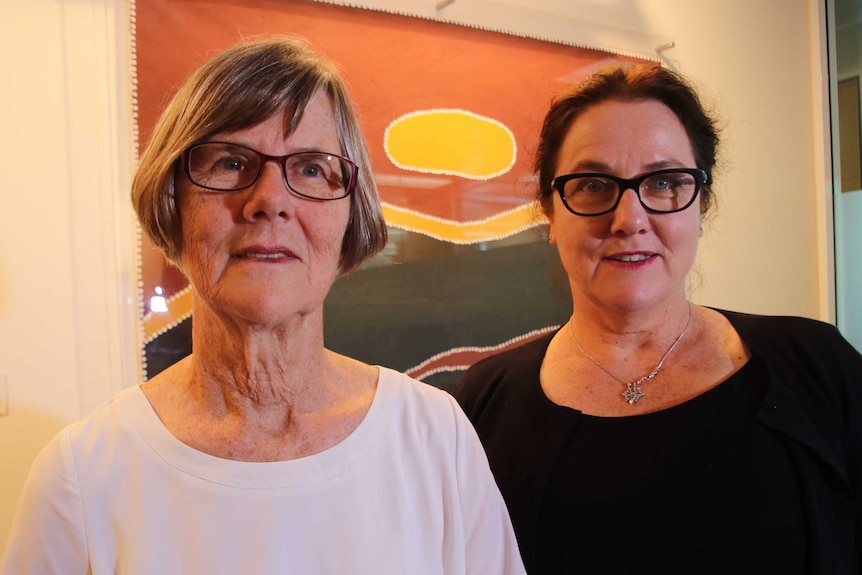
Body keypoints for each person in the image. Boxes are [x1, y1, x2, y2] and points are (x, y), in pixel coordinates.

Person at [1, 37, 525, 575]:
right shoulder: (83, 477)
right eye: (230, 161)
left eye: (312, 169)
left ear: (350, 215)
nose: (271, 200)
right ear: (172, 202)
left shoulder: (434, 437)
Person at [453, 64, 862, 575]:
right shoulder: (481, 405)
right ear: (550, 215)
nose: (629, 219)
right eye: (594, 184)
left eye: (665, 182)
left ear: (701, 205)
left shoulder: (817, 366)